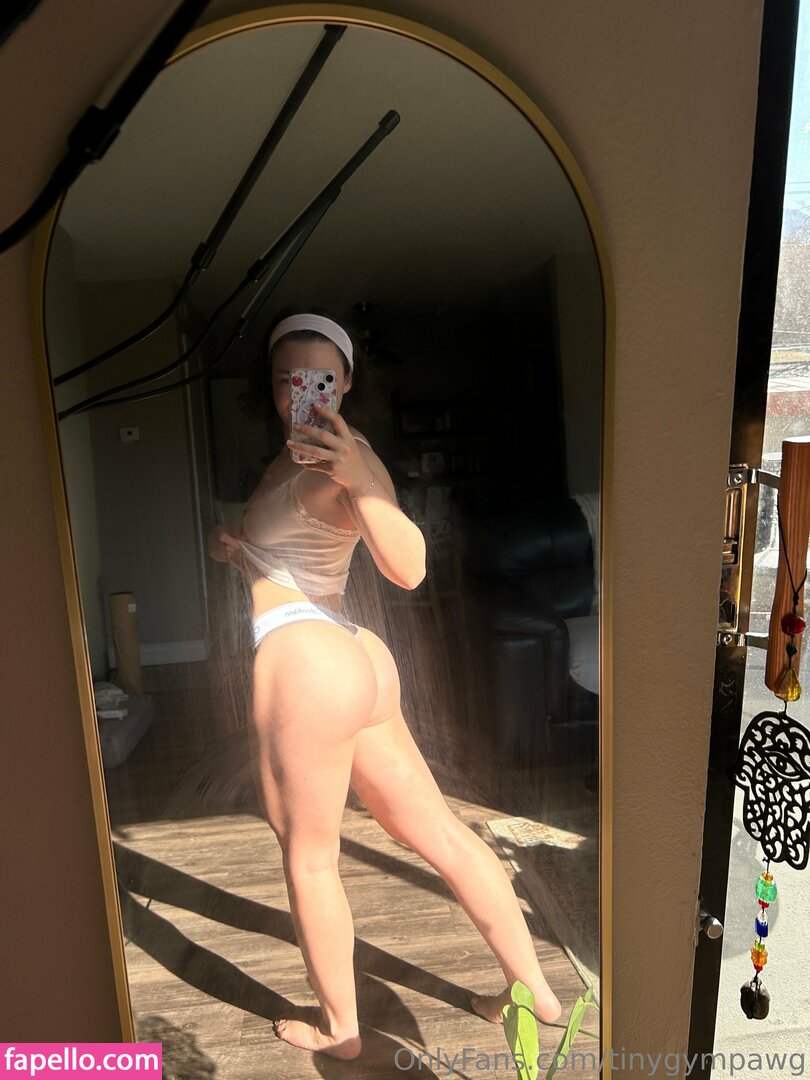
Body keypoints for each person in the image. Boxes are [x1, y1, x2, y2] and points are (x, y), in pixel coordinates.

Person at [207, 311, 561, 1061]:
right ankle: (535, 988)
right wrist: (241, 552)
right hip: (351, 657)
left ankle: (340, 1031)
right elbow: (298, 555)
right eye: (288, 379)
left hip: (308, 662)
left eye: (320, 378)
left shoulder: (348, 458)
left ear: (344, 383)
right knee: (438, 831)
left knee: (309, 858)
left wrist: (360, 481)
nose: (303, 391)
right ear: (271, 387)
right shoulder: (290, 461)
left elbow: (409, 566)